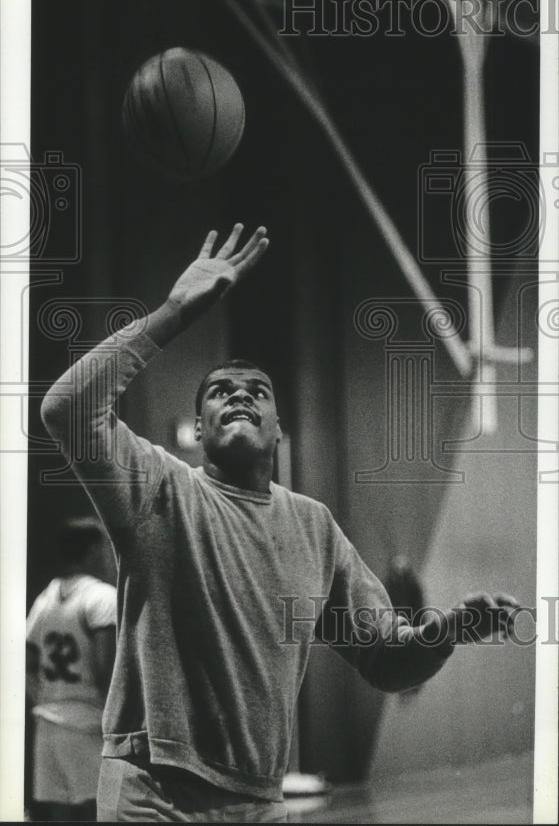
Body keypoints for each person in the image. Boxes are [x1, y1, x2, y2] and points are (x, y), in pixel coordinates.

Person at [40, 223, 519, 823]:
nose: (238, 394)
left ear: (278, 430)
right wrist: (172, 312)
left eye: (256, 391)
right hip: (154, 791)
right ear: (201, 426)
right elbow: (67, 408)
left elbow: (388, 660)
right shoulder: (160, 490)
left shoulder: (314, 528)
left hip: (259, 800)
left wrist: (449, 631)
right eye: (219, 390)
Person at [26, 517, 117, 822]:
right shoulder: (102, 596)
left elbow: (26, 661)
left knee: (59, 812)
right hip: (87, 720)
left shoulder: (45, 597)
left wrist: (44, 699)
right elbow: (107, 669)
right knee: (97, 810)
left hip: (48, 719)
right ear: (92, 549)